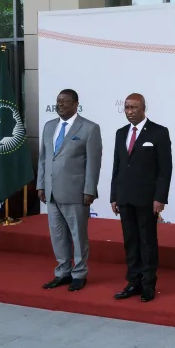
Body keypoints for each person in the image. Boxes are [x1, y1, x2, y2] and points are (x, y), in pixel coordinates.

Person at [37, 89, 102, 291]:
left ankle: (79, 274)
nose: (60, 104)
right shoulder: (49, 127)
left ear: (76, 104)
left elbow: (93, 163)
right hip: (51, 192)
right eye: (58, 101)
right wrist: (40, 184)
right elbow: (43, 159)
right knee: (58, 235)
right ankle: (62, 272)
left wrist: (89, 189)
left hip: (76, 192)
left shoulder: (89, 128)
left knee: (77, 235)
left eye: (65, 101)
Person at [111, 93, 173, 303]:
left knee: (147, 242)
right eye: (127, 107)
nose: (130, 111)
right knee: (130, 242)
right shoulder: (121, 133)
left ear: (144, 108)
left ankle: (148, 284)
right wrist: (114, 196)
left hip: (147, 199)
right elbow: (117, 167)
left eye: (134, 108)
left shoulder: (159, 132)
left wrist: (160, 197)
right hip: (125, 197)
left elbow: (165, 169)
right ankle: (133, 282)